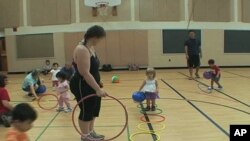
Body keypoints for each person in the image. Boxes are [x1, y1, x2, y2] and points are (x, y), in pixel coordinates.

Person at [70, 25, 107, 141]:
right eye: (100, 39)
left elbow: (92, 69)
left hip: (92, 84)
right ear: (95, 37)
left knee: (94, 110)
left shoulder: (90, 47)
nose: (100, 41)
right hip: (82, 85)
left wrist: (98, 82)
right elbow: (85, 73)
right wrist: (97, 89)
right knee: (86, 111)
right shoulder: (82, 49)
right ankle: (85, 136)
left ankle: (90, 132)